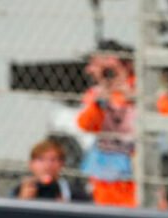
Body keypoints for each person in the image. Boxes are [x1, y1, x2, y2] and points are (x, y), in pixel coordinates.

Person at [77, 40, 144, 208]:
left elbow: (165, 114)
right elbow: (86, 125)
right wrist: (102, 100)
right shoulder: (96, 94)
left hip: (138, 175)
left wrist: (133, 97)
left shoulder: (144, 88)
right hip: (105, 175)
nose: (91, 69)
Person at [12, 139, 89, 202]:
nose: (47, 165)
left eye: (53, 160)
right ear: (31, 164)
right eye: (41, 159)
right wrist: (22, 200)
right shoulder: (20, 190)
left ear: (61, 164)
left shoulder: (72, 192)